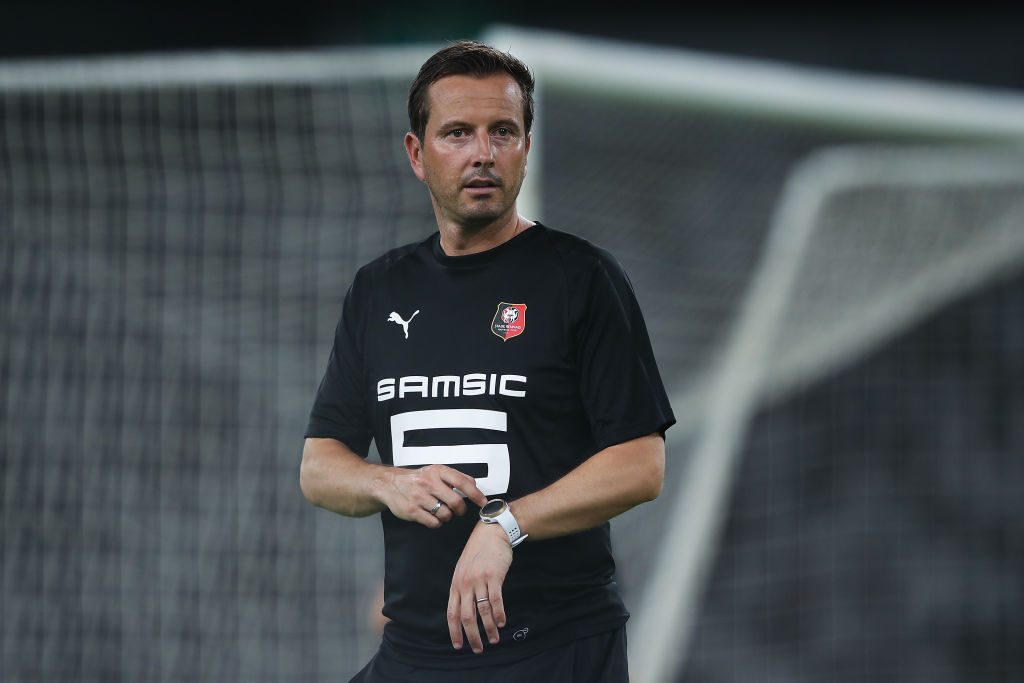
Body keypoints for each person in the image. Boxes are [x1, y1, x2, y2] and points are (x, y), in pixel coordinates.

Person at [300, 40, 675, 682]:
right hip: (415, 650)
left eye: (503, 131)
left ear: (526, 146)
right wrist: (387, 483)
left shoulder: (581, 277)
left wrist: (506, 526)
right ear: (417, 155)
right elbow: (319, 467)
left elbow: (640, 466)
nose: (483, 152)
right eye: (458, 133)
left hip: (552, 649)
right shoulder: (378, 290)